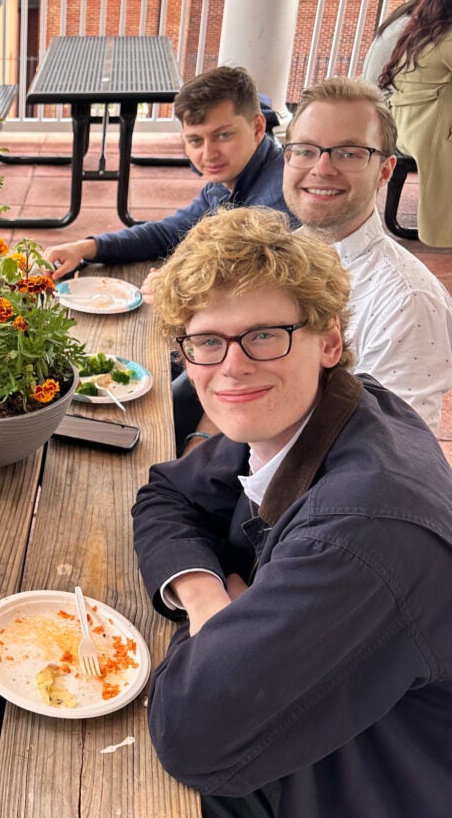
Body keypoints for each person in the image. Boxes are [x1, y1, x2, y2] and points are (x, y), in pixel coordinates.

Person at [131, 207, 452, 818]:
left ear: (329, 340)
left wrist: (223, 638)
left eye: (263, 335)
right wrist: (208, 602)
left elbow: (192, 734)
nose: (231, 366)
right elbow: (168, 493)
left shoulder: (364, 531)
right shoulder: (314, 411)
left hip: (354, 780)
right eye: (206, 341)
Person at [282, 76, 452, 433]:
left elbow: (392, 457)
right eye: (306, 150)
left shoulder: (408, 303)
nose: (322, 168)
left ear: (385, 171)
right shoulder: (278, 256)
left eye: (349, 153)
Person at [45, 66, 293, 280]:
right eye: (195, 141)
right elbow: (169, 232)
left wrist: (178, 284)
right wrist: (85, 248)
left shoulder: (283, 196)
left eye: (224, 135)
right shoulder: (229, 179)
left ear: (258, 127)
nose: (209, 154)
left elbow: (252, 283)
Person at [378, 0, 452, 246]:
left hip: (404, 125)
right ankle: (442, 232)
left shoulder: (417, 32)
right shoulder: (447, 38)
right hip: (427, 133)